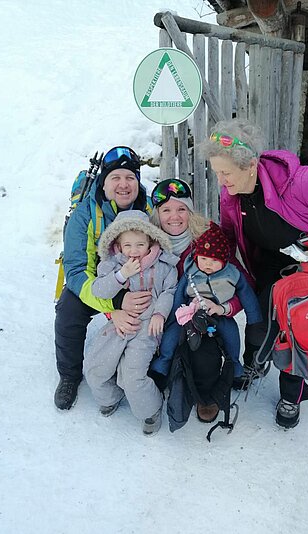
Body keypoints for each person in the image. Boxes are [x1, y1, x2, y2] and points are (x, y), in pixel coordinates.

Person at [200, 118, 308, 429]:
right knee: (258, 319)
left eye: (225, 173)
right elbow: (228, 235)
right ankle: (256, 363)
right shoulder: (231, 195)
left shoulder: (299, 181)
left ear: (251, 165)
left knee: (295, 327)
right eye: (217, 172)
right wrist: (209, 258)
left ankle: (291, 396)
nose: (221, 180)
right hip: (268, 261)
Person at [148, 179, 263, 424]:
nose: (174, 216)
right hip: (164, 313)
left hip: (211, 312)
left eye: (181, 208)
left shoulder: (210, 237)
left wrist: (225, 308)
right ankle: (162, 374)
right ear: (157, 214)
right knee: (167, 346)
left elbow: (239, 282)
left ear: (190, 210)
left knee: (204, 351)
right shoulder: (149, 242)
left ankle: (208, 395)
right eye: (166, 210)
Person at [54, 146, 152, 410]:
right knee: (68, 310)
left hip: (142, 281)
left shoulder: (149, 207)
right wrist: (114, 304)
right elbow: (76, 271)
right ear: (103, 182)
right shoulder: (85, 215)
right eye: (115, 178)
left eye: (130, 178)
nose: (123, 185)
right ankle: (69, 375)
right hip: (100, 284)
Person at [84, 210, 178, 436]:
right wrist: (121, 275)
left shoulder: (164, 265)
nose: (134, 251)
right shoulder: (112, 265)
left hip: (147, 328)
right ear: (118, 245)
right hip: (120, 323)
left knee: (132, 375)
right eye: (128, 246)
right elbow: (99, 290)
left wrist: (159, 315)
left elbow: (169, 291)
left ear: (150, 242)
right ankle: (110, 396)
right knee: (95, 365)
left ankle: (151, 410)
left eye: (140, 245)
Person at [158, 221, 262, 382]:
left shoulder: (232, 274)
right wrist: (173, 318)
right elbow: (179, 294)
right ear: (196, 256)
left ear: (224, 259)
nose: (208, 265)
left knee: (231, 335)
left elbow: (246, 293)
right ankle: (162, 365)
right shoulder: (190, 273)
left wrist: (253, 318)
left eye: (215, 261)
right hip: (190, 313)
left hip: (219, 313)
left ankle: (234, 366)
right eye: (204, 259)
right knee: (171, 336)